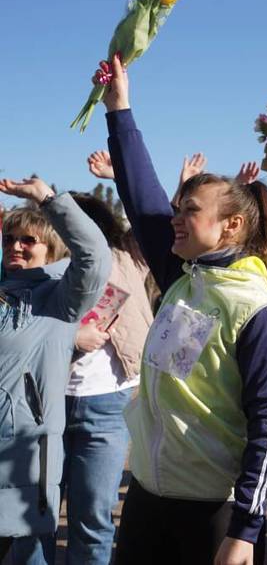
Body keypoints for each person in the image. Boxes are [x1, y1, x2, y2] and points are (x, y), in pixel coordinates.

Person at [96, 54, 267, 565]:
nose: (175, 220)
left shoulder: (255, 308)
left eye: (190, 211)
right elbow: (142, 198)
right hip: (148, 493)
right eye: (178, 209)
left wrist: (246, 530)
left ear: (229, 227)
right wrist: (120, 109)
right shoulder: (185, 278)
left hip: (213, 512)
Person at [13, 194, 153, 565]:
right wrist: (71, 338)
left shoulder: (122, 260)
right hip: (44, 406)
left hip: (106, 405)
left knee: (93, 515)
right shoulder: (36, 278)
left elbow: (150, 220)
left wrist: (120, 177)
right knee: (32, 518)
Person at [0, 179, 111, 562]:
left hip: (27, 455)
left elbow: (95, 258)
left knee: (28, 551)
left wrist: (48, 200)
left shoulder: (60, 299)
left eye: (28, 240)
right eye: (9, 238)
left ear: (51, 249)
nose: (15, 245)